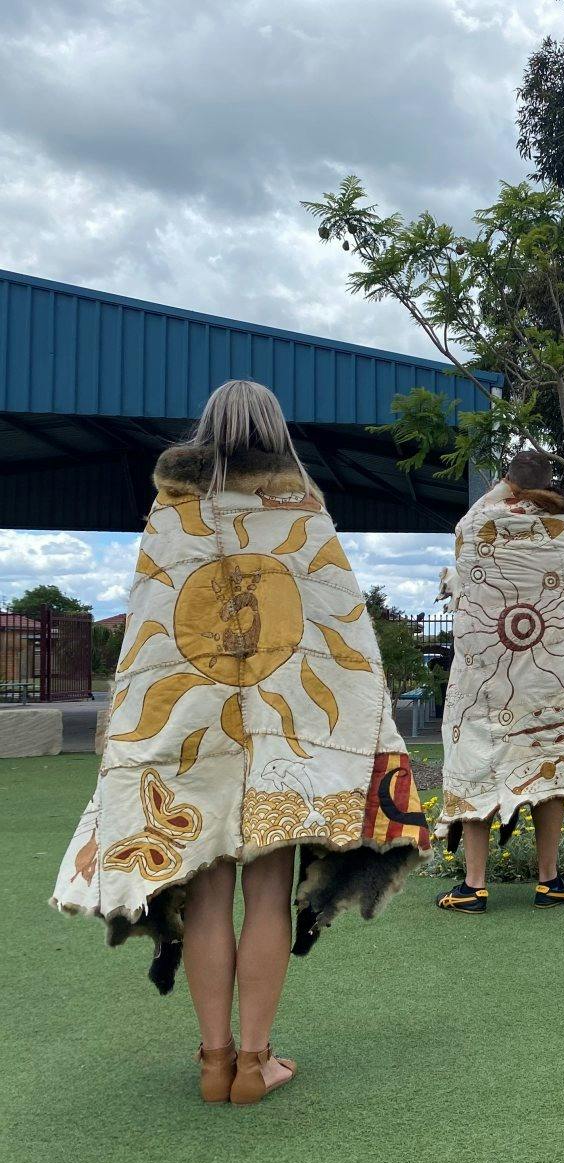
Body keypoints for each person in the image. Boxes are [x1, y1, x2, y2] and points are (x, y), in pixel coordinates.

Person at [51, 380, 431, 1103]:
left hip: (189, 734)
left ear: (206, 426)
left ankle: (213, 1062)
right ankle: (256, 1064)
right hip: (286, 736)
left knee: (205, 895)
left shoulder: (175, 508)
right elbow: (339, 634)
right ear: (276, 429)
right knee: (265, 894)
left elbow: (149, 638)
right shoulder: (303, 508)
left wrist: (131, 738)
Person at [434, 450, 564, 914]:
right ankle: (549, 880)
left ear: (507, 482)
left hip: (487, 679)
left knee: (478, 763)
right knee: (548, 762)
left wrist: (504, 489)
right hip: (553, 676)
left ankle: (474, 885)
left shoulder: (475, 529)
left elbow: (463, 533)